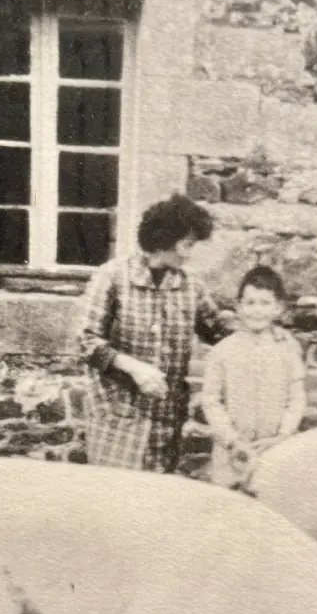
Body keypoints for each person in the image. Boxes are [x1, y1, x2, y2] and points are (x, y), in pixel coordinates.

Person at [76, 194, 234, 474]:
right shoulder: (112, 276)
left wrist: (261, 334)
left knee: (155, 504)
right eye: (187, 243)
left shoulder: (190, 285)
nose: (189, 252)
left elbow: (221, 336)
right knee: (115, 499)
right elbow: (85, 342)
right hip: (117, 418)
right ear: (165, 240)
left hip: (165, 423)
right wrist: (135, 368)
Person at [201, 263, 306, 489]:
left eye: (265, 303)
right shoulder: (222, 351)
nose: (257, 310)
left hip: (275, 450)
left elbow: (296, 398)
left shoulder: (288, 348)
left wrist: (283, 435)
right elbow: (211, 401)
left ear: (278, 308)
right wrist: (232, 440)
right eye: (250, 303)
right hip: (232, 455)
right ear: (238, 307)